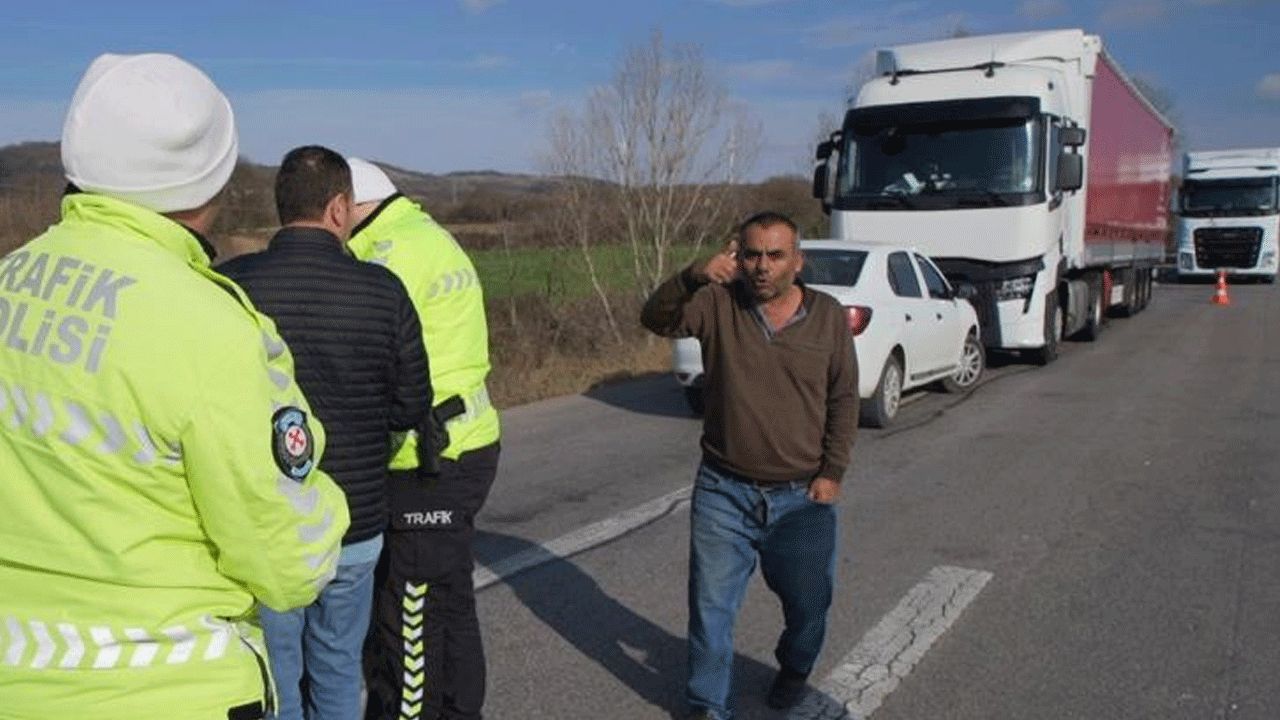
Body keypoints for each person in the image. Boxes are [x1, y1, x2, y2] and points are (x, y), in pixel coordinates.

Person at [0, 54, 349, 719]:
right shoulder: (212, 330)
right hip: (169, 687)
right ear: (215, 180)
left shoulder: (9, 281)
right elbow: (291, 562)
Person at [217, 146, 433, 720]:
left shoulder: (228, 288)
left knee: (278, 673)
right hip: (355, 520)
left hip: (266, 521)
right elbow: (412, 404)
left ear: (280, 206)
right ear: (340, 208)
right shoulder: (382, 291)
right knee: (338, 664)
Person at [640, 211, 859, 720]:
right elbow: (656, 318)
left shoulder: (827, 316)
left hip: (802, 497)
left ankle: (795, 671)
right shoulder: (717, 304)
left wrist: (833, 472)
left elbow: (843, 399)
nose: (762, 266)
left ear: (796, 261)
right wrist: (693, 274)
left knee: (808, 609)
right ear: (739, 256)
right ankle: (706, 706)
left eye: (775, 255)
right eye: (752, 254)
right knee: (711, 611)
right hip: (724, 490)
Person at [345, 158, 501, 720]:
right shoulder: (425, 234)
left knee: (408, 616)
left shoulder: (386, 255)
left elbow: (361, 359)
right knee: (448, 602)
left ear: (352, 205)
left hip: (425, 457)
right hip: (466, 440)